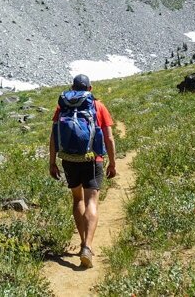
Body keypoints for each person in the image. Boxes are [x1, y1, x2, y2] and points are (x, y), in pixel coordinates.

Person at [47, 73, 117, 269]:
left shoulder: (62, 106)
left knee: (77, 199)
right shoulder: (97, 106)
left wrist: (52, 162)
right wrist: (112, 163)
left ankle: (82, 241)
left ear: (72, 87)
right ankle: (88, 246)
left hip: (69, 159)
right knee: (91, 201)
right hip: (92, 158)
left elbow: (54, 136)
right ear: (90, 88)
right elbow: (109, 138)